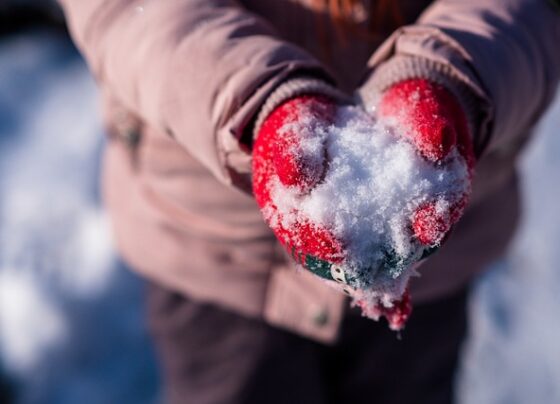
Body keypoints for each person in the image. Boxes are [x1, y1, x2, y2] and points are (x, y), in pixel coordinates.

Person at [58, 0, 560, 403]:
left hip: (432, 257)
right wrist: (255, 98)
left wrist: (452, 77)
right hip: (217, 255)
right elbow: (126, 12)